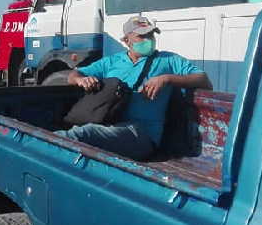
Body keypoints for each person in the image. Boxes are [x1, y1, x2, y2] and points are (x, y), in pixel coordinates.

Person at [56, 15, 212, 161]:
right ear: (126, 40)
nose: (148, 40)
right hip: (109, 124)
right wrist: (81, 80)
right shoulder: (112, 61)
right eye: (141, 36)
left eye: (150, 35)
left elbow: (204, 80)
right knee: (80, 131)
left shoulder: (168, 60)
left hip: (142, 134)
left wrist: (167, 78)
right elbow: (74, 75)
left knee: (83, 133)